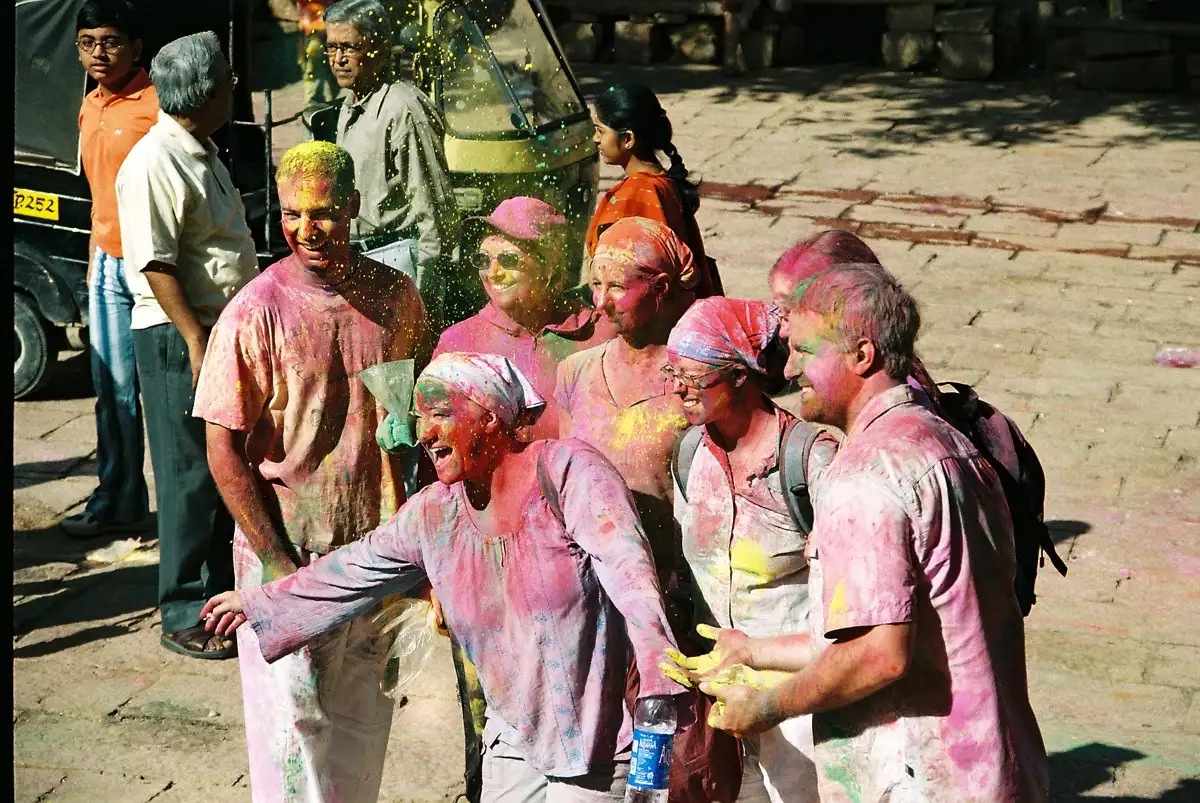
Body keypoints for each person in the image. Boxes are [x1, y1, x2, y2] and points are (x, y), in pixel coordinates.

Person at [201, 352, 686, 802]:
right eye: (420, 419)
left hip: (597, 746)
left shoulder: (567, 473)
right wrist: (260, 600)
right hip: (512, 738)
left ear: (491, 416)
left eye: (440, 415)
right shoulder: (437, 515)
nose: (424, 434)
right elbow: (354, 568)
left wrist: (659, 696)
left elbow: (631, 578)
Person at [695, 263, 1050, 802]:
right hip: (993, 765)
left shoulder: (864, 474)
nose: (789, 370)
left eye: (806, 352)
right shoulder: (947, 442)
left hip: (918, 778)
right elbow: (897, 628)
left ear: (862, 356)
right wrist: (752, 651)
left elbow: (881, 654)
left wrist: (767, 707)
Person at [192, 141, 427, 802]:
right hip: (292, 555)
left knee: (363, 731)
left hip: (376, 559)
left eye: (323, 211)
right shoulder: (253, 313)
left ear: (353, 207)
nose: (306, 228)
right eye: (293, 213)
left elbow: (407, 416)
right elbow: (222, 449)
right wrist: (273, 561)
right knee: (294, 742)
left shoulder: (395, 296)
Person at [115, 31, 259, 659]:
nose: (233, 87)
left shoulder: (200, 148)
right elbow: (155, 263)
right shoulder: (154, 160)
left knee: (223, 465)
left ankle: (217, 599)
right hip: (181, 337)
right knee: (188, 475)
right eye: (226, 79)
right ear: (202, 90)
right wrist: (196, 339)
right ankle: (182, 611)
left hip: (216, 333)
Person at [665, 297, 835, 803]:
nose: (678, 388)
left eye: (694, 377)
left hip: (798, 699)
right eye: (672, 373)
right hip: (717, 691)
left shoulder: (809, 462)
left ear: (741, 375)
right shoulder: (691, 451)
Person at [60, 0, 158, 539]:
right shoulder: (90, 105)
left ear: (136, 48)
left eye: (112, 41)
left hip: (153, 266)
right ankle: (117, 499)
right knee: (112, 388)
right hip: (106, 261)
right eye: (87, 42)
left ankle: (197, 513)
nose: (99, 52)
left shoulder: (157, 104)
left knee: (170, 393)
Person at [557, 217, 698, 580]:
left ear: (661, 287)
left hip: (675, 580)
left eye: (617, 286)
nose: (601, 302)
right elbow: (566, 485)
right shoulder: (576, 371)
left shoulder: (694, 381)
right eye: (595, 285)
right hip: (595, 575)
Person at [432, 196, 616, 442]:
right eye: (483, 260)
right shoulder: (458, 343)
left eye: (508, 260)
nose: (492, 273)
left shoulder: (599, 335)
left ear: (549, 265)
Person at [322, 0, 457, 328]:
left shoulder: (402, 109)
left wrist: (426, 299)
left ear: (380, 50)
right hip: (358, 264)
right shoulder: (350, 104)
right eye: (332, 48)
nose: (339, 59)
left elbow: (435, 210)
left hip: (398, 266)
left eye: (350, 47)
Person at [588, 84, 722, 297]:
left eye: (600, 131)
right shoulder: (662, 182)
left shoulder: (635, 193)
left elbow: (620, 274)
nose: (595, 139)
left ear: (628, 139)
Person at [297, 0, 337, 110]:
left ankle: (326, 102)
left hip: (330, 27)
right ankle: (314, 104)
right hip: (314, 32)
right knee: (313, 71)